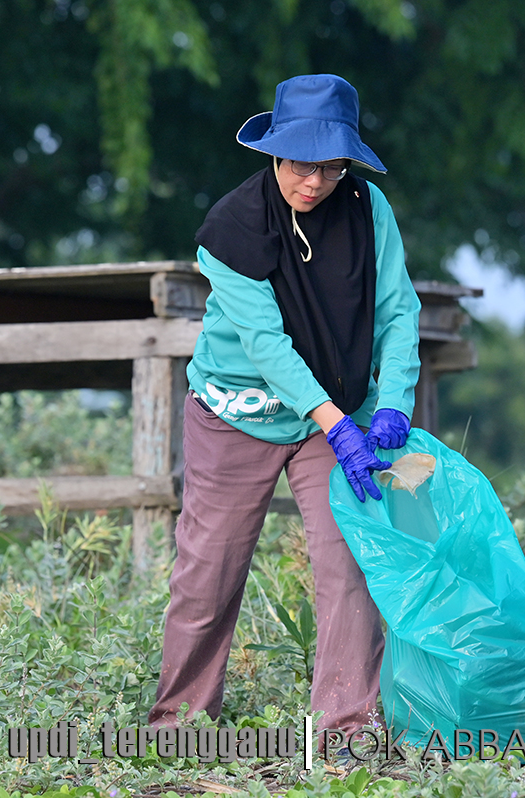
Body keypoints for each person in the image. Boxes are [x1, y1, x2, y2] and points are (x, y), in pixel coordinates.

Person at [148, 74, 421, 739]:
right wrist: (338, 424)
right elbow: (268, 346)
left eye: (332, 166)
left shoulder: (366, 206)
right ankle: (178, 725)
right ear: (274, 153)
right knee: (208, 572)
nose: (315, 181)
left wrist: (393, 404)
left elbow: (397, 309)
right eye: (302, 163)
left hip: (331, 416)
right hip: (237, 410)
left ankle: (347, 728)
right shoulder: (230, 228)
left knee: (347, 560)